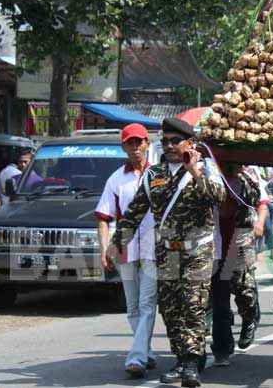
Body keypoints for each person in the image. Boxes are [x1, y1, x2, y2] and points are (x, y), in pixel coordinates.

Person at [111, 117, 226, 388]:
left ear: (190, 143)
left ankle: (190, 364)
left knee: (192, 307)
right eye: (165, 141)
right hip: (167, 253)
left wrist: (194, 171)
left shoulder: (206, 168)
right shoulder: (154, 175)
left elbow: (218, 198)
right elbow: (134, 212)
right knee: (171, 311)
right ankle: (181, 358)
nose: (170, 146)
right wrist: (117, 243)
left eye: (176, 141)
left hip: (197, 251)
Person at [96, 123, 156, 379]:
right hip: (124, 249)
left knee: (147, 303)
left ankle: (137, 357)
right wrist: (103, 249)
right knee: (132, 306)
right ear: (123, 147)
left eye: (139, 142)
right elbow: (103, 216)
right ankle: (147, 350)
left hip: (155, 248)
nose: (135, 148)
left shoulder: (160, 175)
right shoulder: (116, 179)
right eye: (129, 143)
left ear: (147, 144)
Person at [210, 163, 269, 366]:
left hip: (239, 239)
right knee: (219, 298)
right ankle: (222, 348)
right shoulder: (206, 173)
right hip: (212, 243)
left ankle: (250, 316)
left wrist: (259, 223)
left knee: (243, 288)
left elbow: (262, 202)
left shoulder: (249, 177)